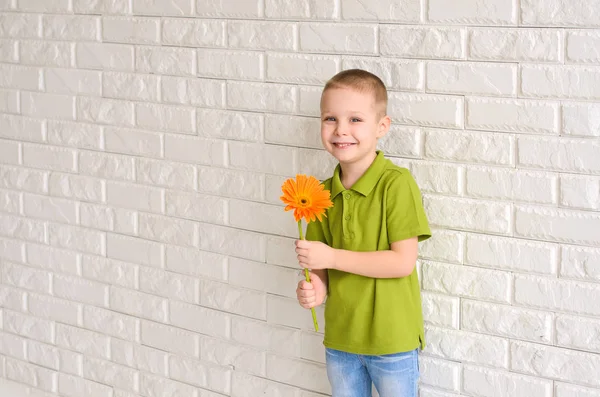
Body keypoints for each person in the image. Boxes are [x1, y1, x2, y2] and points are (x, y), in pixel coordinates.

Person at [295, 69, 431, 397]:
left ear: (381, 127)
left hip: (392, 341)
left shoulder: (396, 184)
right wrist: (316, 288)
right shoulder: (319, 194)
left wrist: (331, 257)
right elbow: (321, 268)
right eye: (330, 118)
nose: (341, 130)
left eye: (355, 119)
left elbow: (401, 262)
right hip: (341, 340)